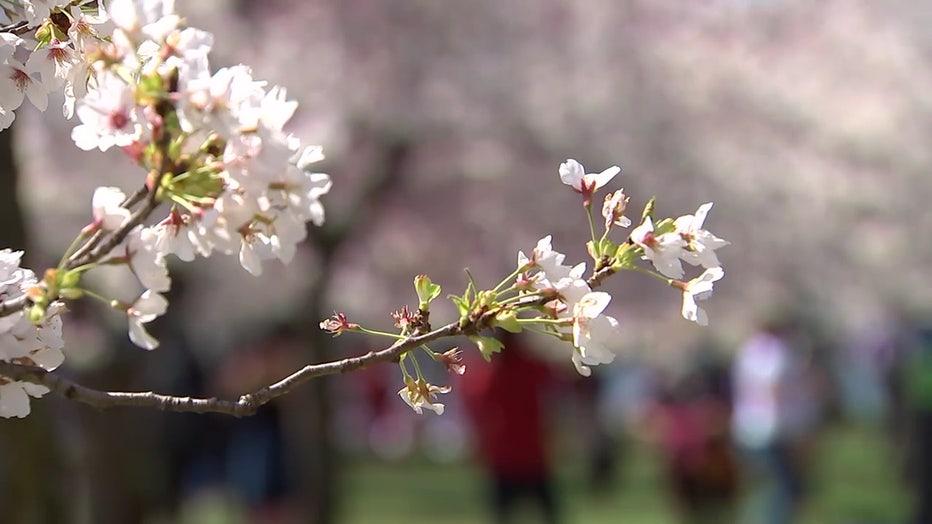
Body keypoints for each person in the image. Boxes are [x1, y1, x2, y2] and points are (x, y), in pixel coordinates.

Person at [459, 331, 560, 524]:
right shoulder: (528, 367)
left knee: (504, 512)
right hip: (527, 453)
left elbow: (477, 409)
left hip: (507, 454)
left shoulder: (487, 371)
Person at [731, 316, 820, 524]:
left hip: (748, 427)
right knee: (785, 491)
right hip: (774, 430)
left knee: (767, 487)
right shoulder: (777, 351)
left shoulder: (748, 349)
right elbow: (774, 386)